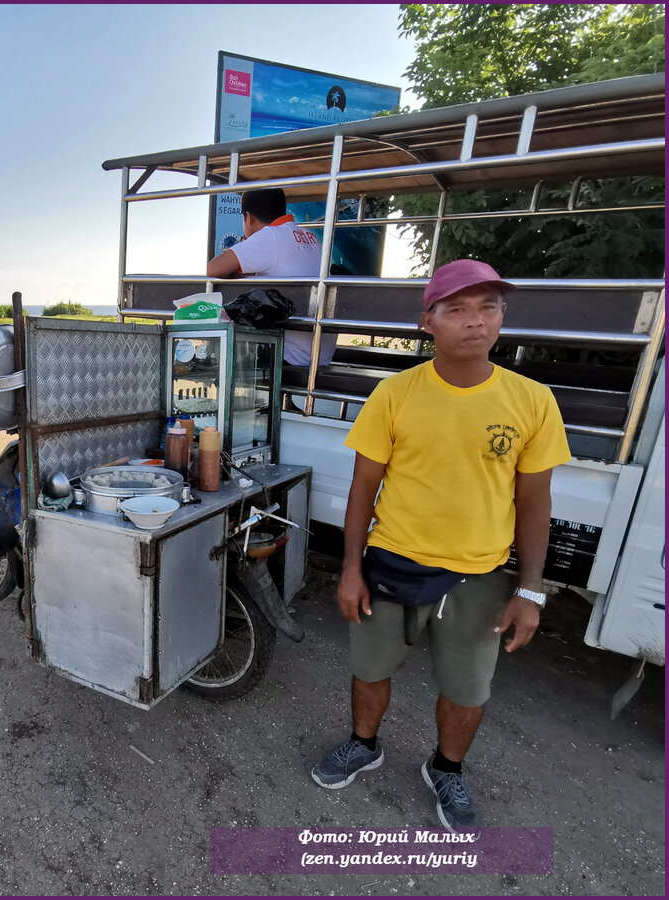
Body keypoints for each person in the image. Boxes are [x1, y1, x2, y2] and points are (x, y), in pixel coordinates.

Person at [309, 259, 571, 831]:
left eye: (488, 307)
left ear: (502, 317)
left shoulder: (532, 401)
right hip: (391, 564)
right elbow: (363, 490)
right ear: (429, 321)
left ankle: (447, 768)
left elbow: (535, 503)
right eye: (456, 309)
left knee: (468, 688)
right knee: (371, 669)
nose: (474, 322)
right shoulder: (396, 394)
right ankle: (364, 743)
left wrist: (532, 591)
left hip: (479, 578)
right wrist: (350, 568)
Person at [206, 187, 336, 367]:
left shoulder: (270, 236)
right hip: (320, 354)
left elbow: (212, 269)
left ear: (249, 217)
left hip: (289, 355)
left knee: (210, 353)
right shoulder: (310, 236)